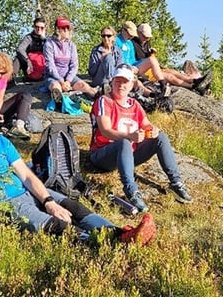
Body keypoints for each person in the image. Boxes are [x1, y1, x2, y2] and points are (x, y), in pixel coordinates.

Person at [0, 98, 156, 244]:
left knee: (72, 207)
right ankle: (104, 244)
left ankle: (120, 232)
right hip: (2, 203)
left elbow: (26, 175)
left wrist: (48, 200)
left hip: (26, 190)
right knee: (55, 226)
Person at [88, 65, 194, 212]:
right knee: (124, 142)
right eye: (118, 81)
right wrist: (129, 136)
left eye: (125, 82)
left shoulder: (134, 104)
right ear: (112, 82)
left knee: (161, 137)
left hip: (129, 154)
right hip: (102, 154)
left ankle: (176, 183)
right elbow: (105, 131)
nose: (121, 85)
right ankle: (132, 191)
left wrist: (153, 130)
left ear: (132, 85)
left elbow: (146, 125)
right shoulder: (104, 101)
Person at [133, 23, 213, 95]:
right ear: (139, 33)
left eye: (148, 37)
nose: (147, 38)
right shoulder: (133, 44)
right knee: (169, 76)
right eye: (145, 36)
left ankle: (194, 81)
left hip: (151, 68)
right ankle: (192, 86)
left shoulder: (146, 43)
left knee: (172, 71)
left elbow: (147, 57)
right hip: (144, 70)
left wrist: (152, 54)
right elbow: (141, 59)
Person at [44, 17, 98, 103]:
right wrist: (61, 81)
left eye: (68, 28)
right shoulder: (49, 44)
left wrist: (68, 81)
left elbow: (74, 65)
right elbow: (50, 66)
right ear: (57, 29)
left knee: (83, 85)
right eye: (63, 28)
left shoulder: (71, 45)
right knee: (55, 86)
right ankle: (58, 100)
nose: (66, 30)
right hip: (53, 77)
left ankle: (97, 95)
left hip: (69, 77)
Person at [88, 25, 126, 90]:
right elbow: (92, 72)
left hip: (115, 78)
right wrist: (102, 60)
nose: (106, 38)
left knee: (108, 57)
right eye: (103, 36)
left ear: (114, 37)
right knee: (108, 57)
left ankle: (111, 82)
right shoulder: (96, 51)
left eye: (108, 36)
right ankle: (111, 82)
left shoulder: (118, 51)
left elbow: (119, 68)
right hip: (99, 79)